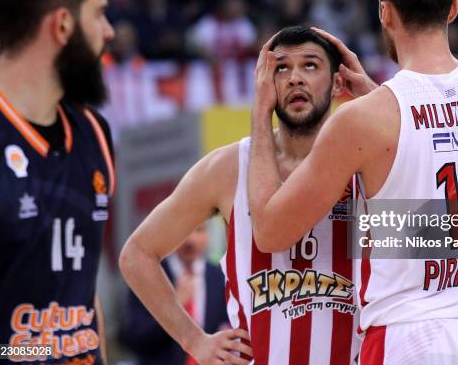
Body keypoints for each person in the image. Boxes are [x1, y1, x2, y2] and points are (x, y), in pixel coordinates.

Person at [248, 0, 458, 364]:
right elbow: (448, 165)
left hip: (409, 336)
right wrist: (377, 99)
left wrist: (260, 114)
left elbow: (271, 231)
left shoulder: (365, 121)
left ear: (385, 12)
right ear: (452, 8)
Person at [119, 26, 376, 365]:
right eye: (281, 68)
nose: (295, 78)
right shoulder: (228, 167)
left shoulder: (368, 164)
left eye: (310, 65)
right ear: (264, 83)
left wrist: (376, 97)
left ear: (339, 83)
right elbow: (136, 254)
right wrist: (194, 341)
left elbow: (451, 234)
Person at [0, 0, 115, 363]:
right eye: (98, 14)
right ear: (62, 25)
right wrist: (37, 351)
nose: (109, 31)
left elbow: (84, 298)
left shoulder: (94, 132)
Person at [120, 224, 230, 365]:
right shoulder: (147, 275)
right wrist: (173, 306)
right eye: (184, 231)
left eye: (198, 230)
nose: (191, 240)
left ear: (207, 235)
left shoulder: (221, 277)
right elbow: (133, 337)